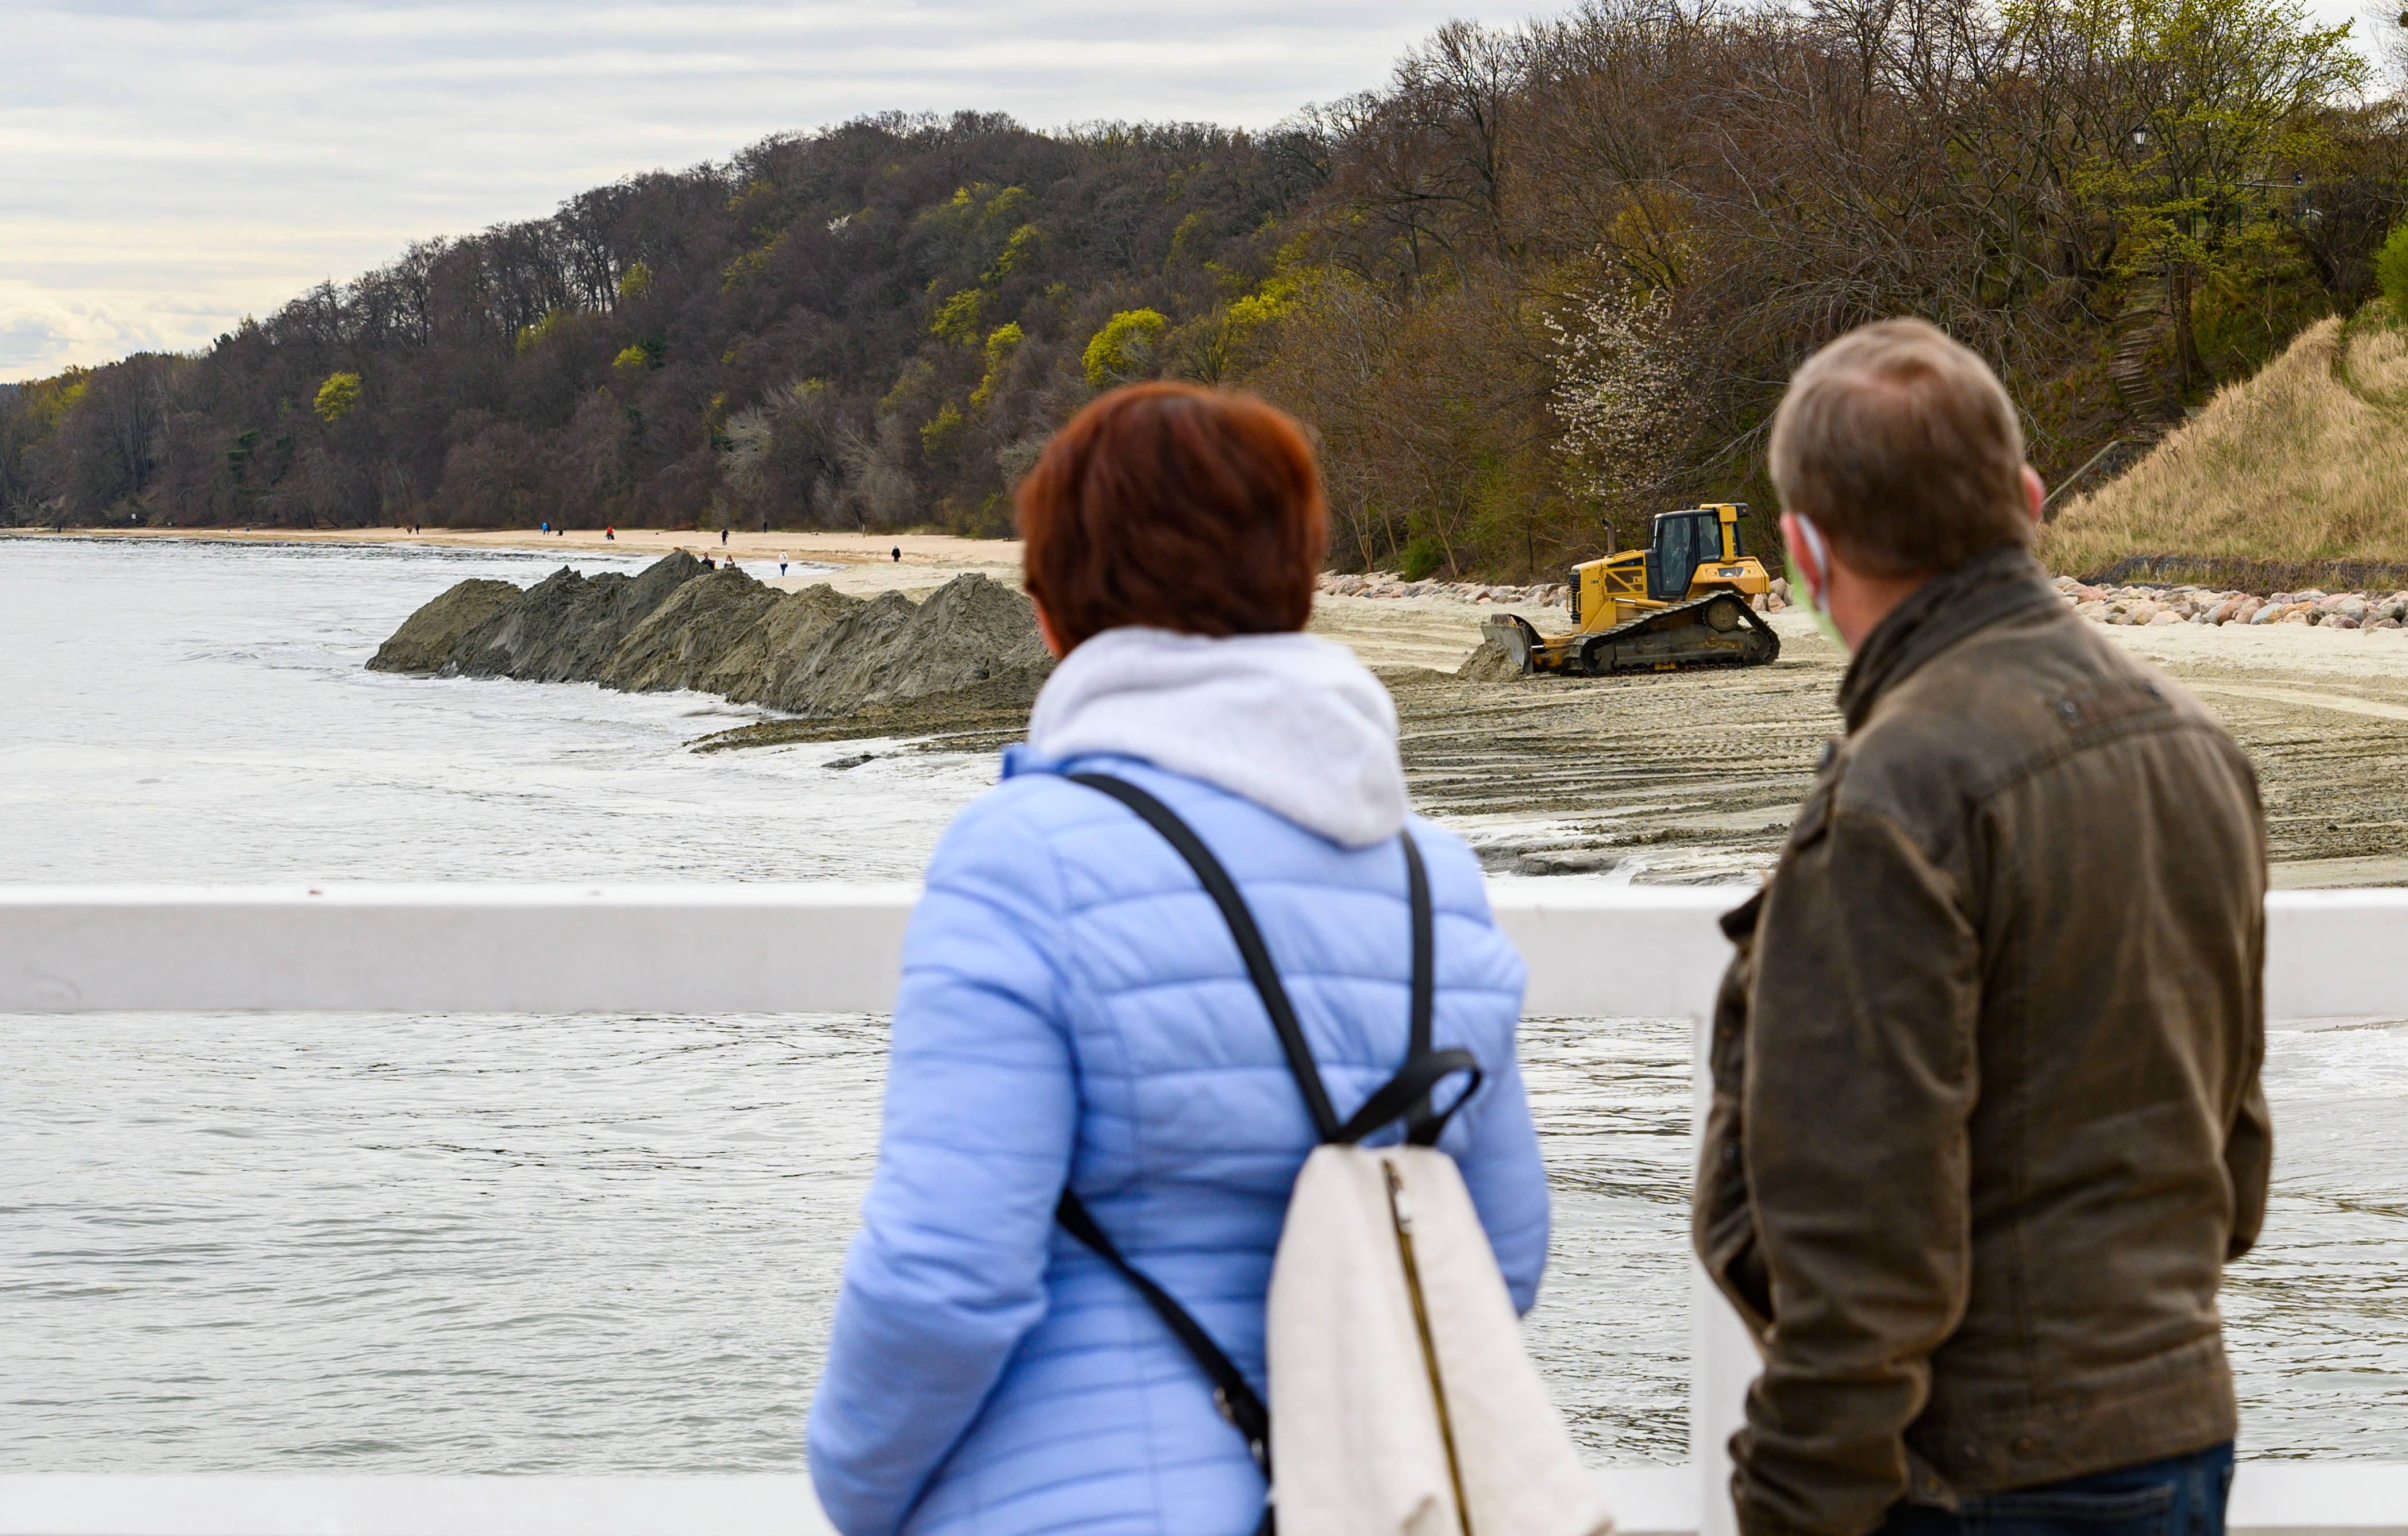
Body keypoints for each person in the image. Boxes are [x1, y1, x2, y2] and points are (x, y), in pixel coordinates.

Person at [807, 381, 1550, 1536]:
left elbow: (943, 1277)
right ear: (1297, 585)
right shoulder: (1430, 884)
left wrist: (855, 1488)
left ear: (1052, 611)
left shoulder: (1020, 859)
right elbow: (1497, 1258)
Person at [1696, 319, 2270, 1536]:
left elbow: (1862, 1253)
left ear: (1803, 547)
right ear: (2024, 499)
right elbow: (2236, 1154)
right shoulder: (2194, 743)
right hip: (2173, 1429)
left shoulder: (1896, 794)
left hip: (1977, 1472)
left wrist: (1793, 1501)